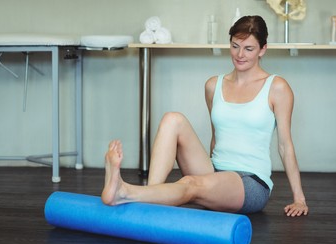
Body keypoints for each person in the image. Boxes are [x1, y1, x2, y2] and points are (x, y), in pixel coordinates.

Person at [101, 15, 308, 217]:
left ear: (263, 49)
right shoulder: (213, 85)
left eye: (249, 48)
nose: (240, 54)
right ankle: (152, 196)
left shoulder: (277, 87)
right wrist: (212, 180)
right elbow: (216, 137)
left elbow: (285, 146)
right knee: (172, 119)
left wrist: (299, 198)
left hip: (250, 183)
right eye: (235, 46)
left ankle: (124, 191)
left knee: (190, 184)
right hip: (214, 172)